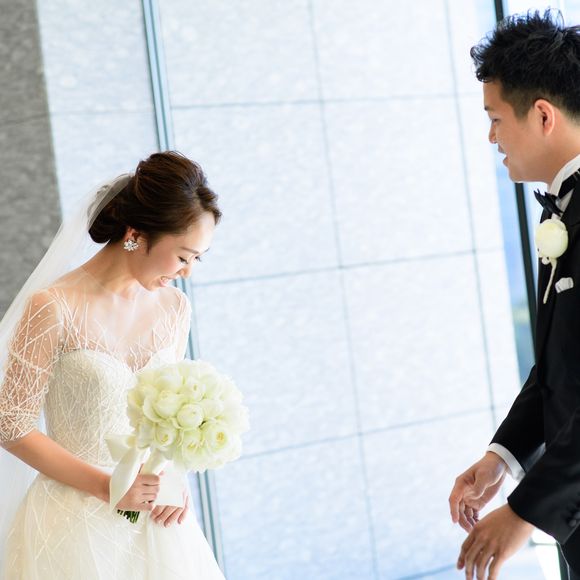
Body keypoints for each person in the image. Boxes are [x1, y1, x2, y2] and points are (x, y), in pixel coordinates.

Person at [0, 151, 226, 578]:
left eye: (197, 258)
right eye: (183, 256)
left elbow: (163, 421)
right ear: (136, 235)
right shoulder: (54, 306)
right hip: (71, 520)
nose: (187, 272)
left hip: (155, 517)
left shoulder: (174, 308)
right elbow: (11, 425)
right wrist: (108, 486)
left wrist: (172, 479)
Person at [448, 10, 580, 580]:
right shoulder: (562, 213)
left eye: (496, 118)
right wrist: (503, 456)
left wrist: (525, 513)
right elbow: (560, 367)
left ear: (543, 115)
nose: (491, 137)